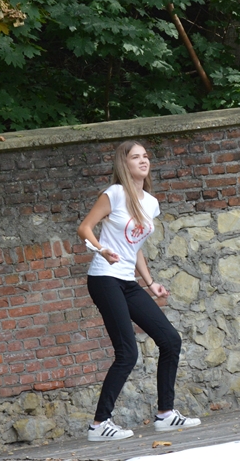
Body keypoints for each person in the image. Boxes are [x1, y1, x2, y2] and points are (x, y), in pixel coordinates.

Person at [78, 140, 201, 439]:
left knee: (170, 340)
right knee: (127, 352)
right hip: (104, 278)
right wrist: (101, 249)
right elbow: (85, 228)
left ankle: (166, 414)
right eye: (136, 157)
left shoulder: (150, 202)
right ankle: (99, 425)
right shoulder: (114, 194)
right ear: (125, 164)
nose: (143, 161)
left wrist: (150, 282)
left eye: (145, 156)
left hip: (128, 281)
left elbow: (135, 247)